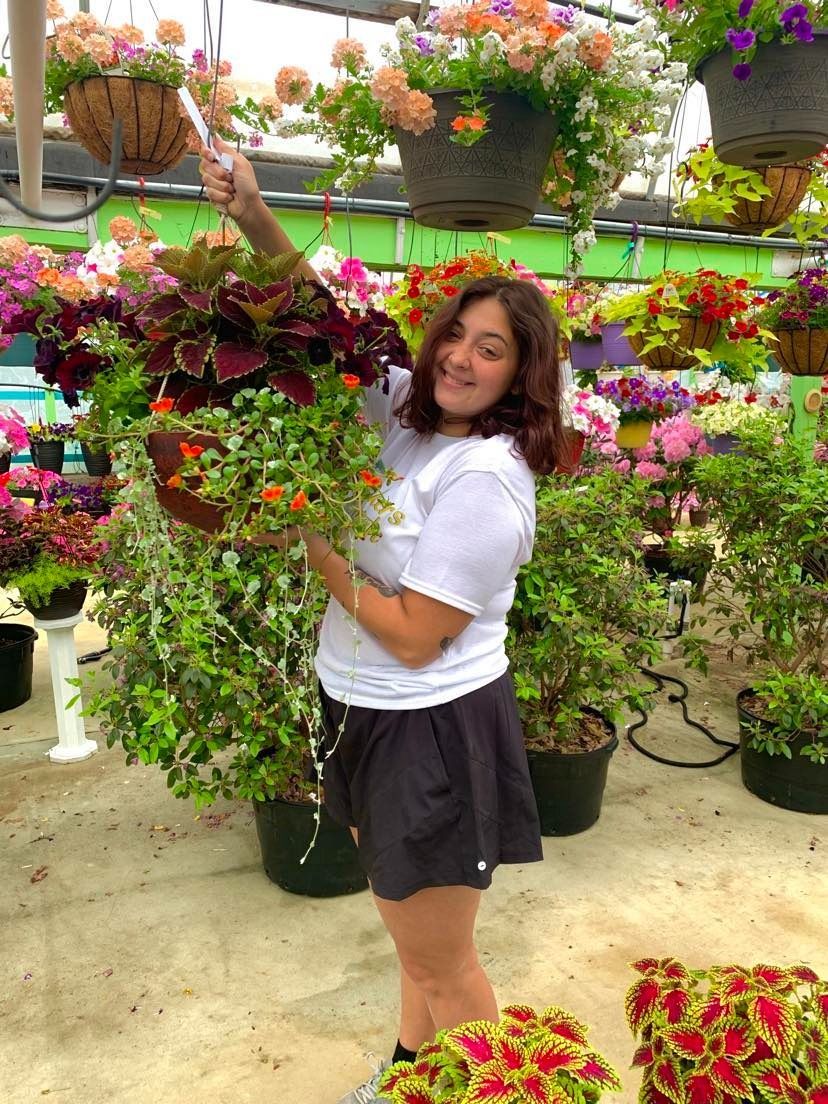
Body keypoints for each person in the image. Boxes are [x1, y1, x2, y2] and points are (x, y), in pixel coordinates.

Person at [199, 137, 566, 1104]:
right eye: (458, 335)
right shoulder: (408, 413)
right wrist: (249, 214)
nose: (461, 358)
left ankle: (496, 1093)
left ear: (521, 376)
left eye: (493, 350)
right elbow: (325, 326)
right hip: (363, 708)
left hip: (430, 726)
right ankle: (409, 1077)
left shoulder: (486, 476)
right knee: (412, 939)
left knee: (444, 963)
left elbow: (411, 632)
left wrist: (308, 535)